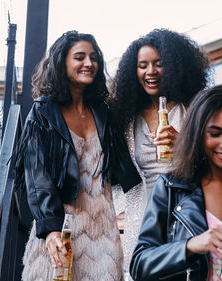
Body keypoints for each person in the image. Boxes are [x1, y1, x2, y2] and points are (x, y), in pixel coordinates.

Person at [18, 31, 141, 281]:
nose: (89, 63)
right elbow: (37, 176)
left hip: (103, 229)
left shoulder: (105, 113)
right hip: (60, 229)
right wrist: (50, 230)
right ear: (62, 62)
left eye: (94, 57)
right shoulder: (43, 114)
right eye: (80, 57)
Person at [130, 84, 222, 281]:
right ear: (198, 135)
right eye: (215, 133)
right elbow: (139, 265)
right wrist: (191, 245)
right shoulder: (172, 188)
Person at [110, 28, 210, 277]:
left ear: (176, 66)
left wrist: (185, 146)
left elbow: (218, 161)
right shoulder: (126, 118)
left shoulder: (194, 108)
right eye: (142, 65)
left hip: (186, 209)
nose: (150, 71)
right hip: (143, 217)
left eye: (158, 64)